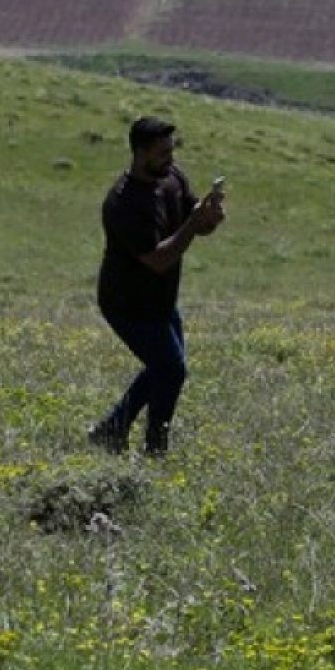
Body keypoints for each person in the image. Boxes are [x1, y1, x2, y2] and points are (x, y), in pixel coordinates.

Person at [89, 116, 225, 456]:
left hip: (161, 299)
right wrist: (194, 225)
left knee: (165, 368)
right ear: (140, 152)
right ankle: (154, 446)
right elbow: (157, 260)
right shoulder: (125, 203)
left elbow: (192, 219)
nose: (171, 158)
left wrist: (208, 218)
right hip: (127, 303)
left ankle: (113, 429)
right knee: (171, 369)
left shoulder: (171, 178)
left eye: (171, 150)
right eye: (163, 152)